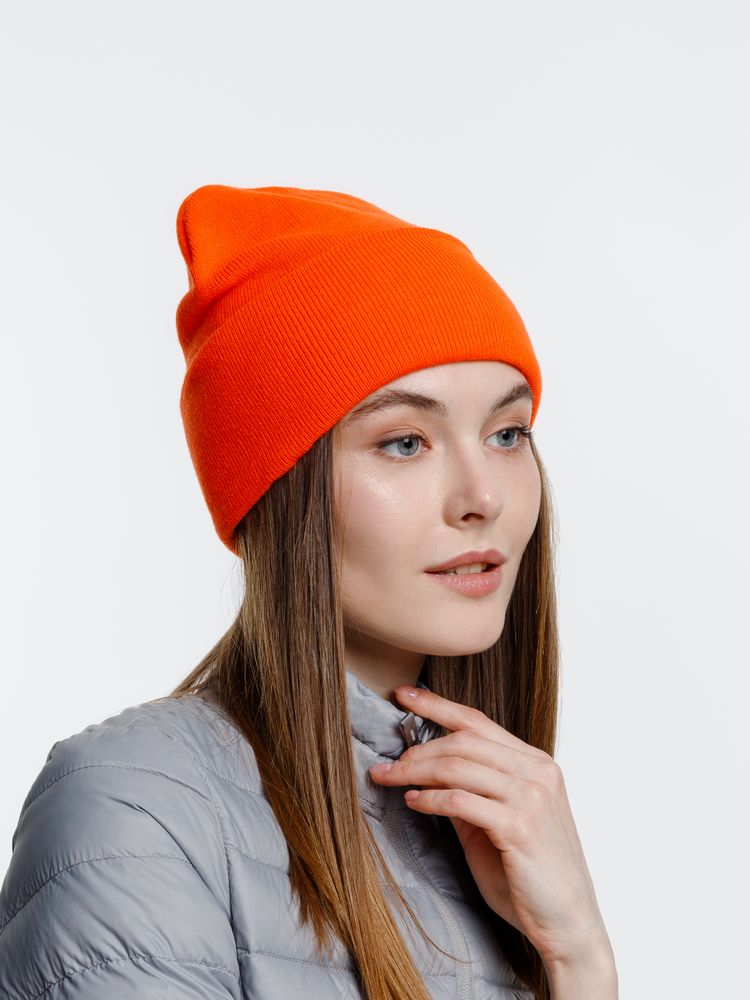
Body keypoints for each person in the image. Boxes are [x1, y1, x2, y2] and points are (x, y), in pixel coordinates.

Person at [0, 185, 617, 1000]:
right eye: (405, 442)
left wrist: (581, 960)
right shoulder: (135, 812)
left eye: (508, 433)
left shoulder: (496, 823)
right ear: (279, 488)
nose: (484, 496)